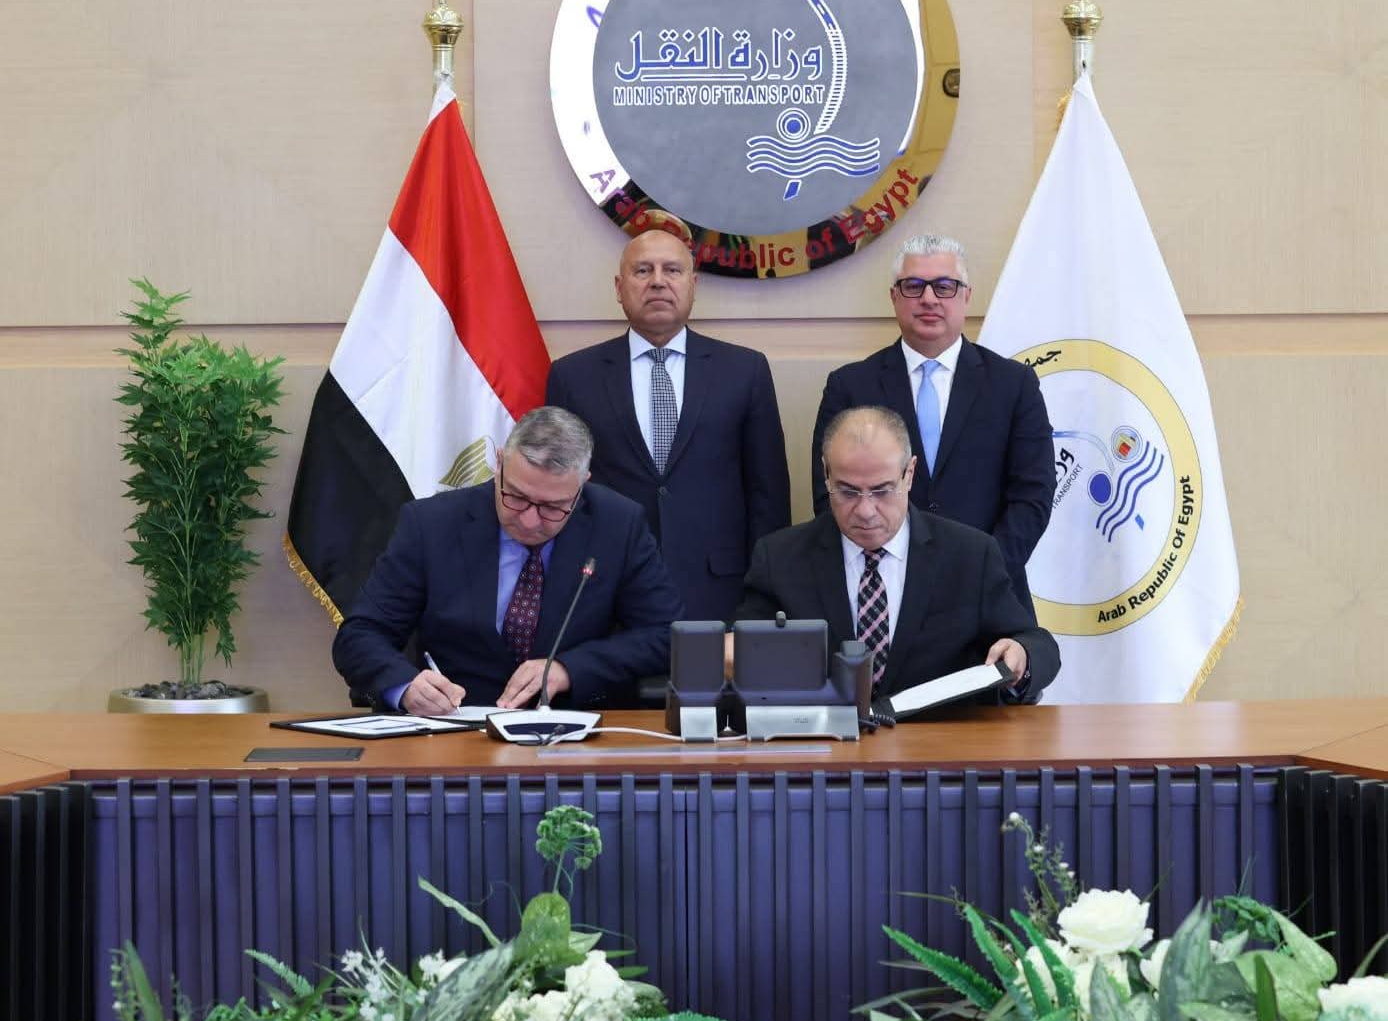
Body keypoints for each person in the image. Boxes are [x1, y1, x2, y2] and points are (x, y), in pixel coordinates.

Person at [332, 407, 682, 715]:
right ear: (499, 463)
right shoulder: (431, 524)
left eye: (552, 507)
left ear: (581, 485)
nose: (529, 521)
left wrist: (569, 669)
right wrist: (405, 686)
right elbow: (360, 635)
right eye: (516, 496)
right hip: (455, 725)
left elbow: (667, 635)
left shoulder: (618, 524)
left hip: (573, 729)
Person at [546, 222, 791, 623]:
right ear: (619, 287)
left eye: (672, 270)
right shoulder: (573, 377)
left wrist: (764, 595)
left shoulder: (745, 371)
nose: (658, 282)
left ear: (693, 284)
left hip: (721, 590)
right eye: (643, 270)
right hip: (607, 591)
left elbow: (768, 495)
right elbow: (558, 493)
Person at [739, 407, 1059, 709]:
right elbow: (737, 658)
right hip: (825, 741)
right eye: (848, 491)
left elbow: (1038, 644)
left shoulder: (970, 555)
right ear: (826, 474)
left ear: (909, 474)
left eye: (882, 490)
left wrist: (1021, 654)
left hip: (938, 742)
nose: (865, 511)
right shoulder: (779, 558)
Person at [809, 233, 1055, 607]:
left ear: (966, 296)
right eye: (913, 286)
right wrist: (886, 570)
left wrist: (982, 575)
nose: (928, 298)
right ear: (894, 296)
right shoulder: (850, 386)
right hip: (881, 595)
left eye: (944, 286)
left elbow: (1033, 495)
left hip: (989, 595)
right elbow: (829, 493)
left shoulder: (1013, 384)